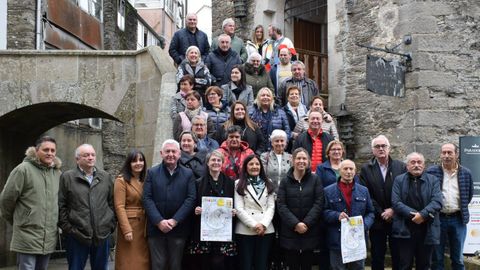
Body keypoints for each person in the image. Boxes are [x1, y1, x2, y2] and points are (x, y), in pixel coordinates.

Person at [0, 136, 61, 270]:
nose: (50, 153)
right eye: (46, 150)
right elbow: (6, 199)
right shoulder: (23, 170)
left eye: (52, 150)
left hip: (49, 235)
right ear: (37, 150)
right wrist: (19, 219)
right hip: (27, 234)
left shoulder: (57, 173)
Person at [58, 144, 116, 270]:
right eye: (86, 155)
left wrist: (110, 224)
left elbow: (111, 202)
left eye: (92, 155)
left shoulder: (105, 177)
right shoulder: (67, 177)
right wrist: (69, 229)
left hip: (102, 234)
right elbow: (61, 205)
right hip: (77, 235)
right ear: (77, 159)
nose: (90, 158)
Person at [142, 139, 196, 270]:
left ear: (179, 154)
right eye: (167, 151)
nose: (170, 154)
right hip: (156, 229)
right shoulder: (152, 173)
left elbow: (191, 198)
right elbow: (146, 198)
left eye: (174, 151)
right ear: (161, 153)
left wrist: (175, 220)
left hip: (178, 229)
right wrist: (159, 221)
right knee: (158, 265)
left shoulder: (188, 174)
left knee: (175, 265)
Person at [359, 135, 406, 270]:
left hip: (396, 218)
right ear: (373, 150)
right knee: (377, 255)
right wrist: (381, 212)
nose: (381, 149)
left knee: (398, 255)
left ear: (389, 148)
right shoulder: (366, 169)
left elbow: (404, 192)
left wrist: (393, 210)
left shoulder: (400, 167)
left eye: (383, 146)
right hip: (377, 220)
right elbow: (366, 194)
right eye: (377, 146)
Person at [392, 152, 442, 270]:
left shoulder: (433, 180)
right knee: (404, 265)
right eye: (412, 162)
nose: (416, 165)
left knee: (425, 265)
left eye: (419, 162)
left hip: (427, 229)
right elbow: (396, 202)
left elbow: (437, 202)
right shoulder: (399, 180)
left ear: (424, 165)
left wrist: (422, 215)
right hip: (405, 229)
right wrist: (414, 215)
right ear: (407, 166)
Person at [427, 143, 473, 270]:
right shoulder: (431, 172)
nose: (446, 156)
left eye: (450, 153)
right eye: (444, 153)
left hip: (458, 219)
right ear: (440, 154)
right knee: (437, 258)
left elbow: (467, 196)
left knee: (458, 258)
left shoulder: (466, 173)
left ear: (456, 154)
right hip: (437, 219)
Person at [276, 148, 324, 270]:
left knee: (307, 265)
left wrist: (306, 223)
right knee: (292, 265)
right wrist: (296, 224)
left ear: (308, 161)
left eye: (304, 158)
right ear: (293, 161)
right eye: (298, 158)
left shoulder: (315, 180)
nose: (301, 161)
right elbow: (281, 205)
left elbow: (319, 203)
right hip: (290, 231)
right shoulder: (285, 181)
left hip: (310, 230)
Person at [323, 159, 375, 270]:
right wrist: (336, 215)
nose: (348, 171)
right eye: (345, 169)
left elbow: (371, 212)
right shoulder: (328, 191)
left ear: (355, 171)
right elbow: (323, 212)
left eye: (351, 169)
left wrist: (363, 226)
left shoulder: (364, 190)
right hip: (337, 239)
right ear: (339, 171)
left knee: (357, 268)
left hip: (358, 240)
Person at [189, 150, 236, 270]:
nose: (216, 162)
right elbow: (192, 203)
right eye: (213, 160)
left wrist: (233, 211)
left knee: (220, 263)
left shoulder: (230, 183)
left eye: (218, 160)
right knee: (204, 263)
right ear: (207, 163)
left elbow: (234, 203)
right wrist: (196, 209)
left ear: (222, 163)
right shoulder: (198, 183)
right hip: (204, 231)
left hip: (223, 231)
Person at [235, 154, 276, 270]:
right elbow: (239, 208)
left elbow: (271, 207)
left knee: (262, 265)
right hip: (245, 230)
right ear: (246, 167)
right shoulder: (238, 183)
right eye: (251, 164)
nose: (254, 166)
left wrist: (263, 224)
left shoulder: (269, 182)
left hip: (266, 229)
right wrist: (254, 225)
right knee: (245, 265)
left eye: (257, 164)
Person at [114, 149, 150, 270]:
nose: (138, 163)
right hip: (131, 226)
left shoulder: (146, 180)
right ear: (129, 163)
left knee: (143, 261)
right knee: (129, 262)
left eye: (141, 160)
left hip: (145, 225)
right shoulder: (121, 180)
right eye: (134, 161)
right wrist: (126, 229)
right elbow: (119, 207)